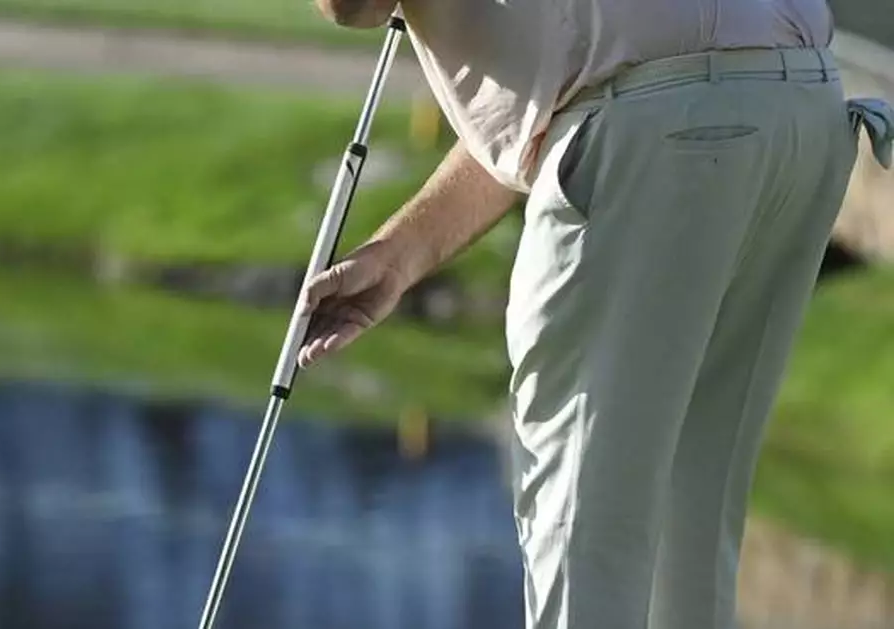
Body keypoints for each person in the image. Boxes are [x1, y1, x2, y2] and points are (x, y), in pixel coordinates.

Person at [298, 0, 893, 628]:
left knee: (583, 539)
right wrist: (401, 254)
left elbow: (352, 5)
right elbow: (580, 87)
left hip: (664, 121)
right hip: (798, 104)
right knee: (686, 535)